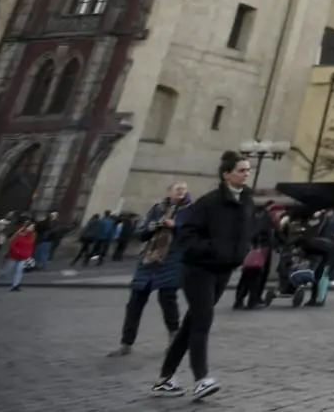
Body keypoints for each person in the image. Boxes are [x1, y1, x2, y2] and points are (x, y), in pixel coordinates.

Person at [152, 151, 252, 400]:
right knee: (202, 320)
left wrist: (241, 251)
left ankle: (165, 378)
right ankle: (201, 379)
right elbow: (186, 236)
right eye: (241, 170)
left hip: (224, 269)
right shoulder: (209, 202)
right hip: (199, 269)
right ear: (227, 174)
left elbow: (245, 231)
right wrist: (214, 250)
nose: (246, 174)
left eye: (248, 170)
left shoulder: (247, 200)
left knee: (190, 324)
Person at [108, 182, 191, 357]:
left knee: (167, 300)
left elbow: (191, 233)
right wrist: (151, 227)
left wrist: (174, 226)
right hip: (149, 260)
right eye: (178, 189)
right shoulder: (157, 208)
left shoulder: (190, 210)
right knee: (134, 303)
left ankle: (174, 338)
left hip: (172, 260)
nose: (181, 192)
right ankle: (126, 343)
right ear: (169, 192)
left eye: (184, 190)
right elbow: (141, 233)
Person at [0, 217, 34, 291]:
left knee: (19, 271)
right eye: (31, 227)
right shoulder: (18, 235)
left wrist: (28, 255)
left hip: (23, 257)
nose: (32, 229)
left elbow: (30, 246)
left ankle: (15, 285)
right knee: (6, 272)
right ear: (26, 227)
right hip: (14, 256)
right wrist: (18, 252)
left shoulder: (30, 236)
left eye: (32, 227)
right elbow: (12, 245)